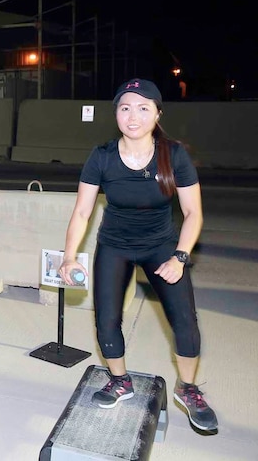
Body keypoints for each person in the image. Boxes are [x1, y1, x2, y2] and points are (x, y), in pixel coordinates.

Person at [58, 78, 217, 432]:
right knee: (106, 320)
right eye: (125, 107)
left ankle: (188, 389)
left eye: (144, 108)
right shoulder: (101, 156)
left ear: (157, 113)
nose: (133, 116)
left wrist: (179, 257)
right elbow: (82, 212)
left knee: (185, 324)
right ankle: (120, 381)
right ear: (116, 113)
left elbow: (194, 213)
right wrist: (69, 257)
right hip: (115, 244)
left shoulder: (173, 155)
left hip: (162, 246)